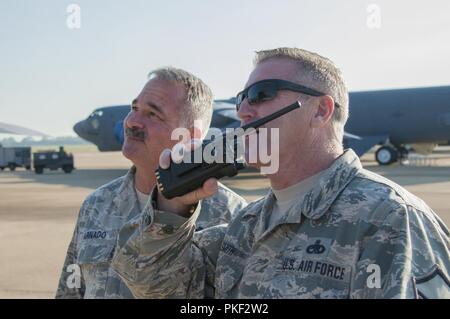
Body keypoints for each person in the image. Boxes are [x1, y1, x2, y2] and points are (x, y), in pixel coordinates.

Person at [111, 48, 450, 299]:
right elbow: (155, 288)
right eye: (243, 98)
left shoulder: (391, 218)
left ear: (320, 110)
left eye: (261, 94)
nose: (244, 111)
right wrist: (172, 209)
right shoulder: (247, 224)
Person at [55, 67, 247, 298]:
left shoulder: (232, 214)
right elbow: (71, 290)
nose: (132, 121)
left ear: (190, 135)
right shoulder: (97, 205)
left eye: (152, 114)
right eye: (134, 108)